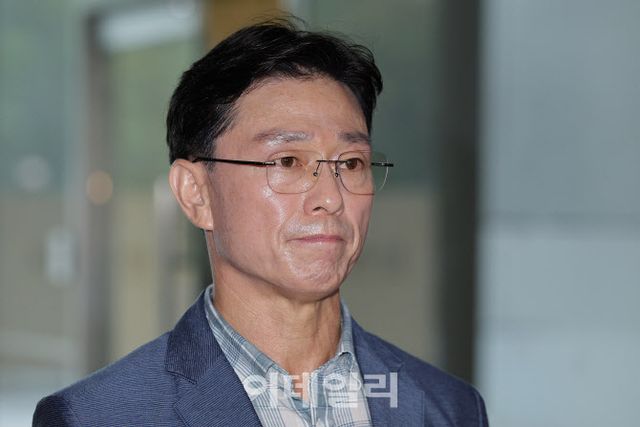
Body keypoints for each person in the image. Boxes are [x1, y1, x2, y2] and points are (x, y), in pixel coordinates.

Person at [33, 19, 488, 426]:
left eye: (351, 163)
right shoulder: (99, 416)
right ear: (196, 193)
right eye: (288, 161)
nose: (331, 198)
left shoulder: (448, 408)